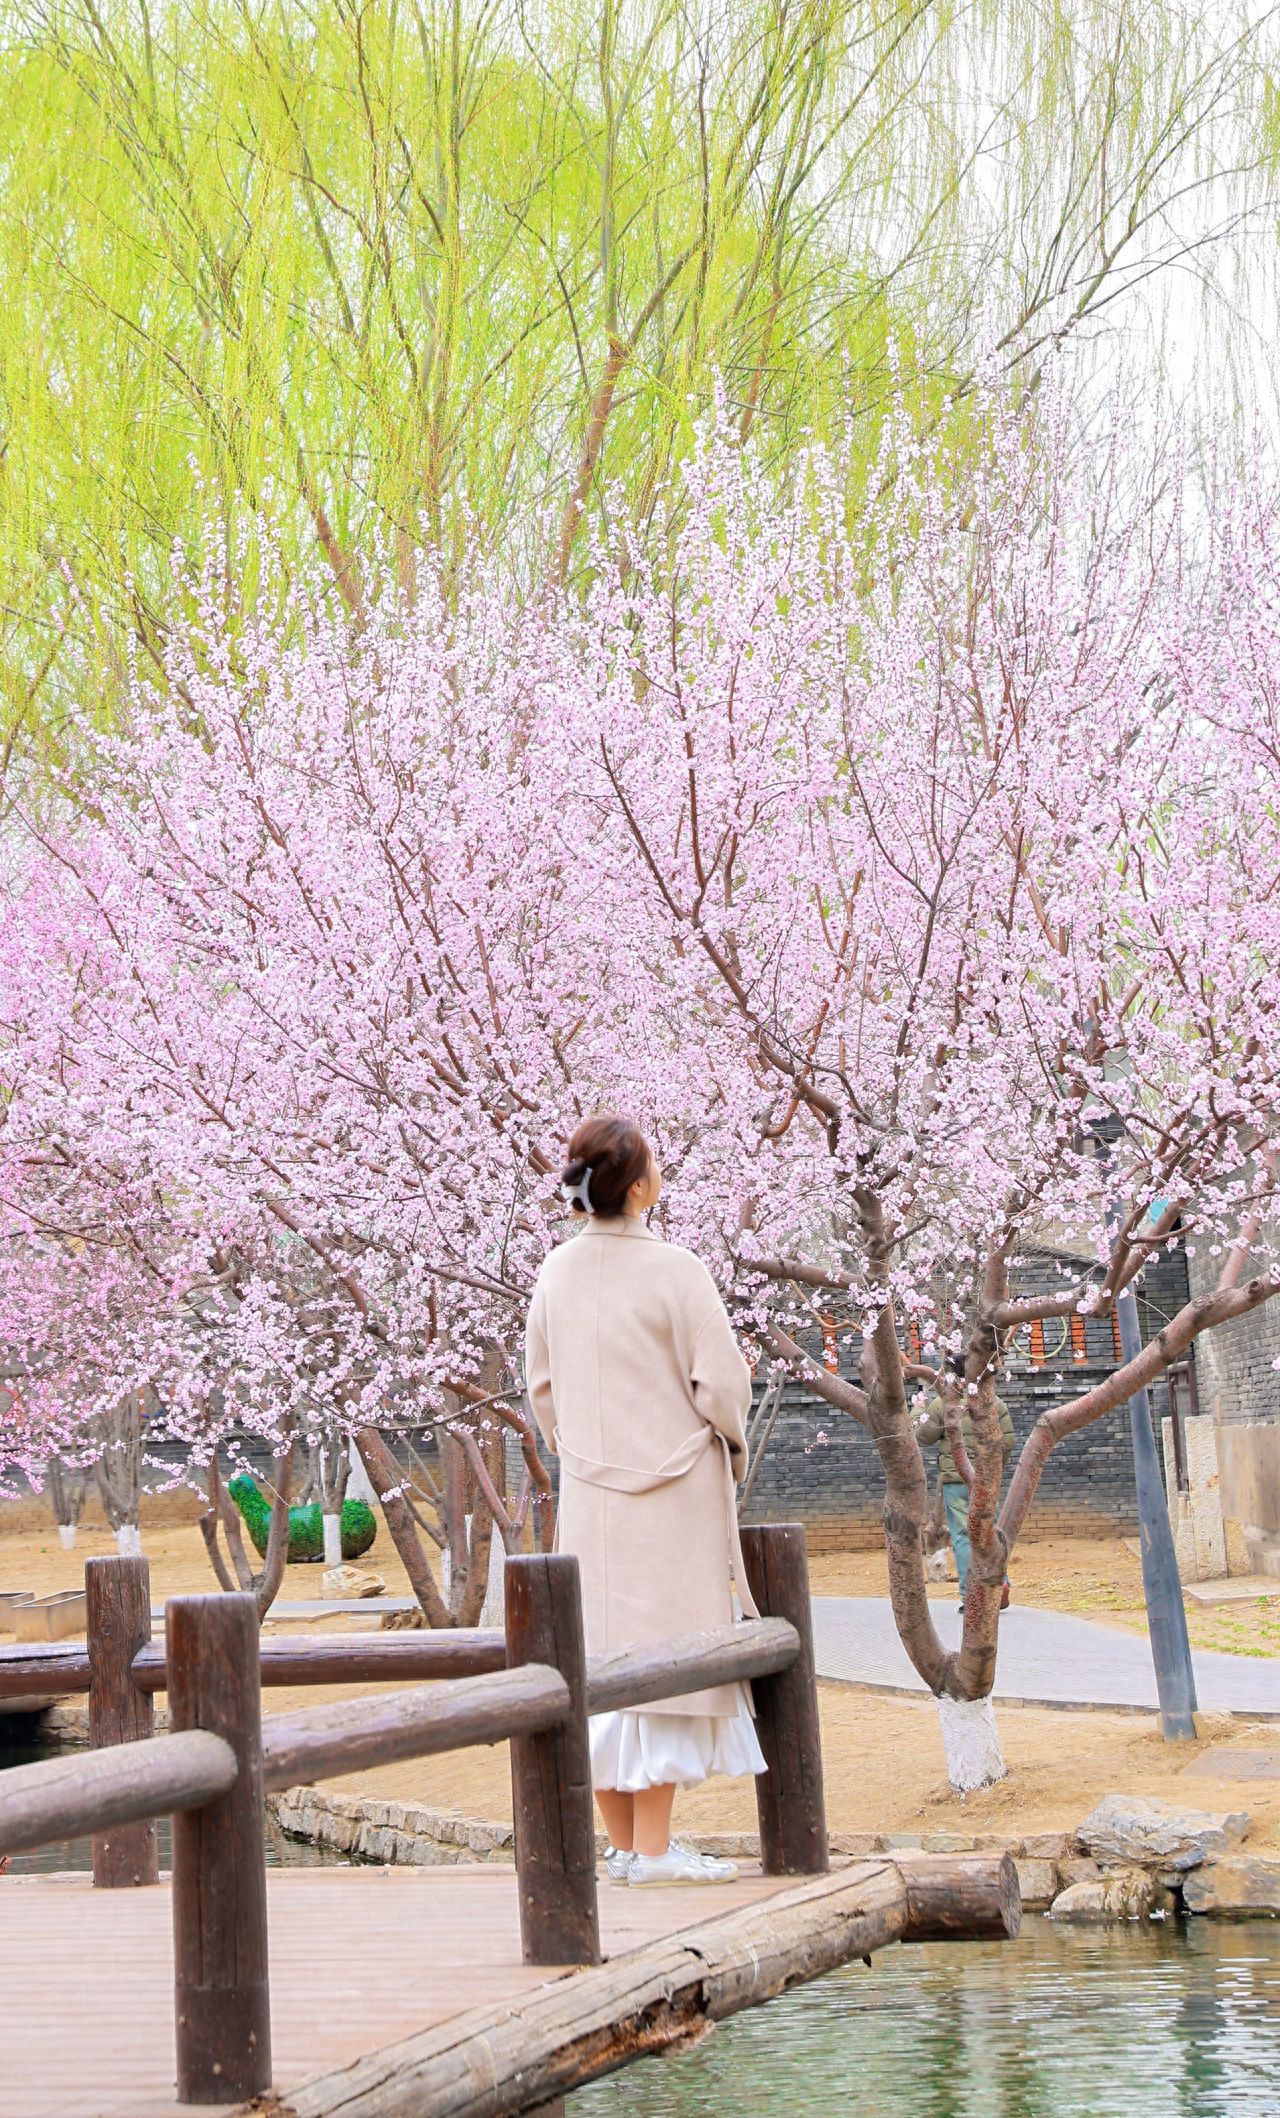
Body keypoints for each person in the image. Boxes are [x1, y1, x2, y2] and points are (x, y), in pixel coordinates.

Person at [525, 1112, 766, 1887]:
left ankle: (628, 1848)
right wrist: (724, 1442)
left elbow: (541, 1386)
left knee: (597, 1663)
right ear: (637, 1187)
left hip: (592, 1491)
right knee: (665, 1661)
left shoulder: (555, 1273)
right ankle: (653, 1851)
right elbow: (722, 1384)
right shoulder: (677, 1269)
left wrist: (574, 1448)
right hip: (674, 1488)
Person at [914, 1355, 1014, 1613]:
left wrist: (918, 1405)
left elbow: (922, 1435)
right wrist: (992, 1468)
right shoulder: (994, 1401)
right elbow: (1007, 1443)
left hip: (956, 1481)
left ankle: (970, 1596)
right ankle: (999, 1582)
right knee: (990, 1533)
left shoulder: (943, 1403)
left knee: (962, 1537)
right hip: (986, 1480)